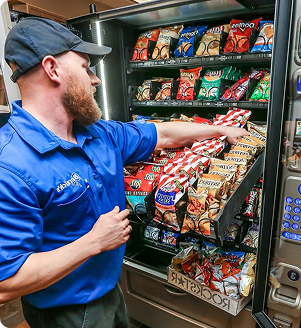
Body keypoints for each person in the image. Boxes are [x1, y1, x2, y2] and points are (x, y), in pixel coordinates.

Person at [0, 17, 248, 328]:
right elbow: (6, 282)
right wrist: (92, 243)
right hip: (66, 313)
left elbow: (164, 134)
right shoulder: (10, 165)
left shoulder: (98, 133)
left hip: (110, 290)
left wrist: (220, 129)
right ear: (52, 69)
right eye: (85, 67)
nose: (96, 79)